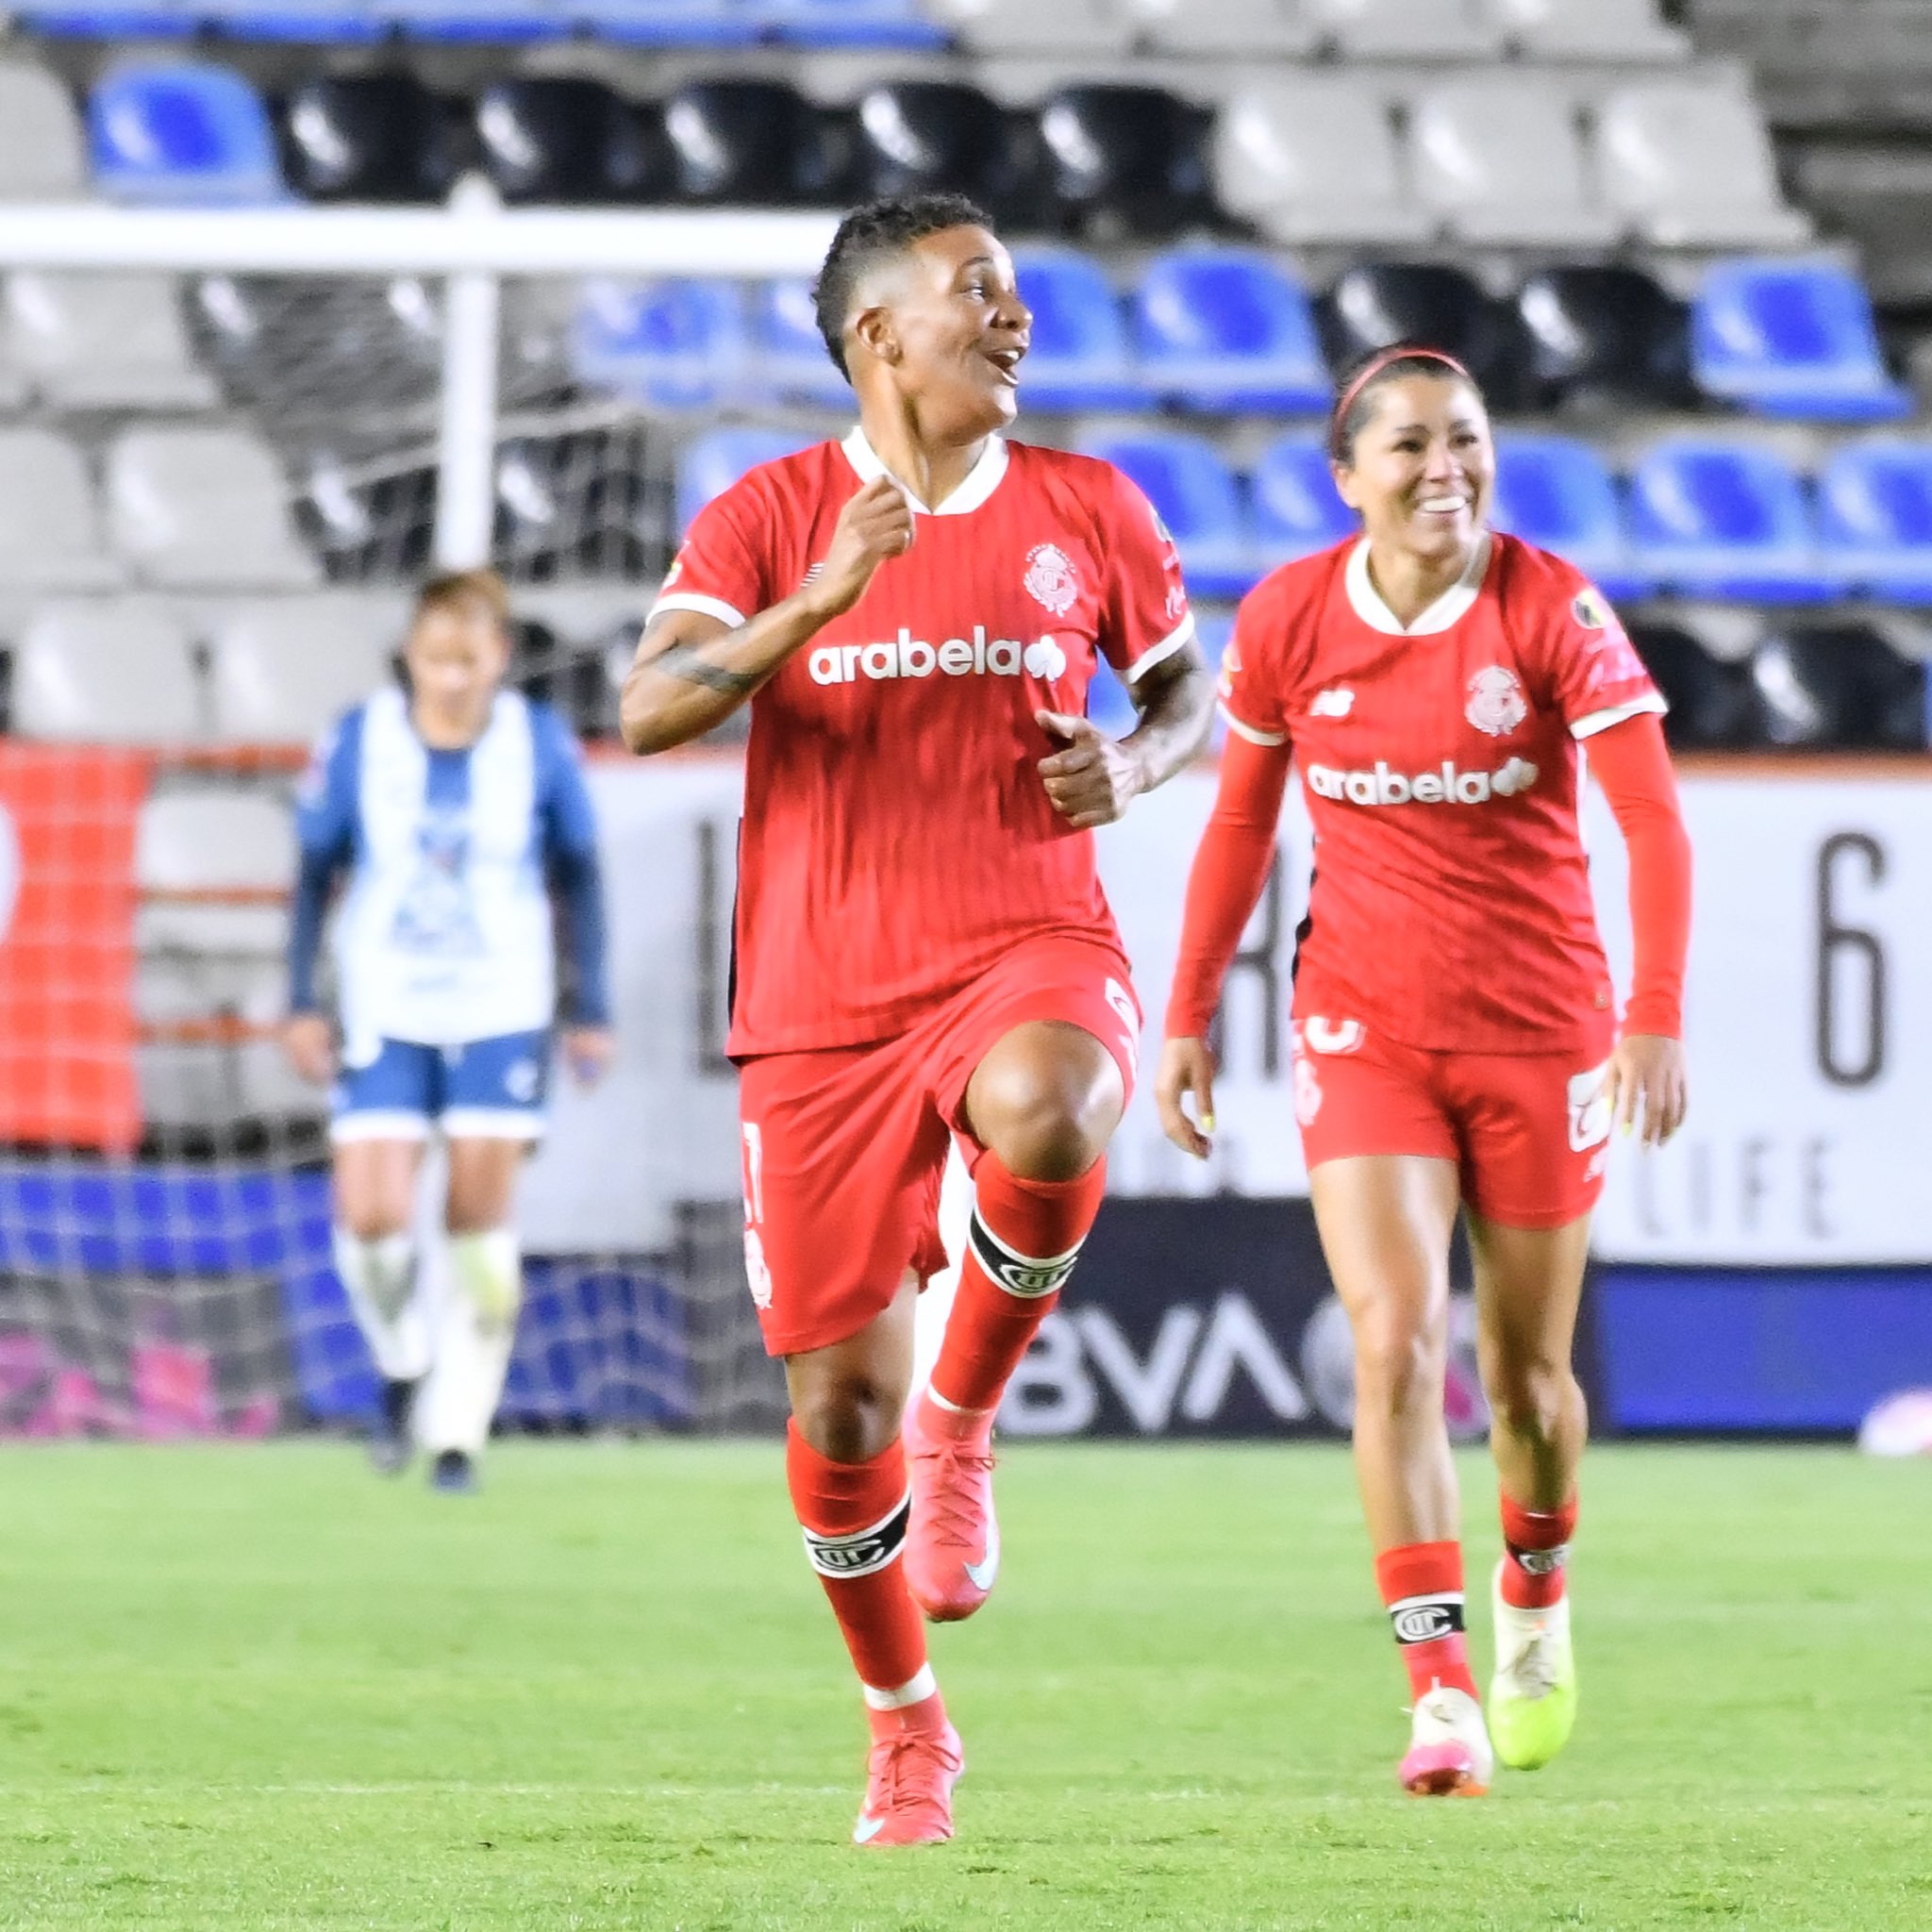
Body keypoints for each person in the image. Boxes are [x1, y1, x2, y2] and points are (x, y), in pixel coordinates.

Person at [621, 193, 1214, 1845]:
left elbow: (1186, 692)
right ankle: (904, 1727)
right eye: (979, 295)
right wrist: (813, 601)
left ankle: (970, 1412)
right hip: (815, 1001)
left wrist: (1141, 759)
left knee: (1051, 1104)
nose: (1014, 319)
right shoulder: (767, 513)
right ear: (880, 334)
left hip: (1022, 930)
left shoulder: (1088, 507)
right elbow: (649, 703)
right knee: (832, 1415)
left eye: (1015, 295)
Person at [1156, 345, 1692, 1797]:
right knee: (1394, 1342)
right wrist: (1189, 1009)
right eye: (1409, 447)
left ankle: (1534, 1590)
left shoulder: (1552, 607)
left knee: (1526, 1386)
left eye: (1467, 438)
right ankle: (1439, 1687)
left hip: (1541, 1031)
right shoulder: (1283, 619)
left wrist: (1652, 1013)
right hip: (1364, 1028)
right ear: (1349, 479)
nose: (1445, 467)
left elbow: (1647, 817)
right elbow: (1238, 832)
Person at [285, 568, 613, 1493]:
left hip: (500, 1006)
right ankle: (400, 1361)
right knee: (375, 1213)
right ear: (411, 657)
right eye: (436, 659)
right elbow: (313, 873)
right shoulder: (361, 741)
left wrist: (591, 1009)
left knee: (476, 1218)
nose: (453, 677)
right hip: (386, 1004)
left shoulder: (537, 744)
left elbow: (581, 874)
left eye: (470, 659)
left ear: (498, 657)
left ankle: (460, 1428)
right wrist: (301, 999)